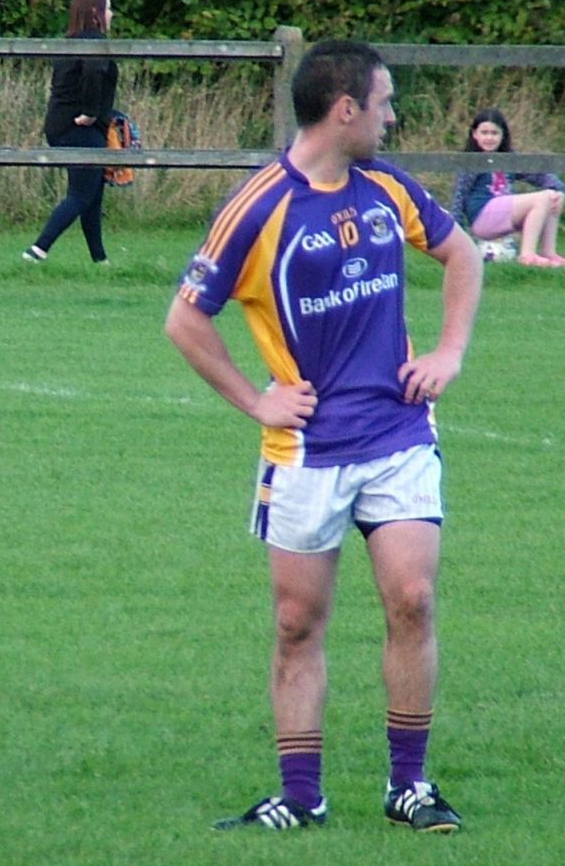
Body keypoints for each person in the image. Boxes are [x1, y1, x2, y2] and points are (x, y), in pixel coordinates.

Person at [165, 41, 483, 832]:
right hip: (307, 452)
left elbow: (461, 252)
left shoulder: (386, 186)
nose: (392, 116)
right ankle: (301, 796)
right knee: (296, 622)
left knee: (413, 598)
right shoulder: (259, 206)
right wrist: (255, 401)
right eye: (384, 102)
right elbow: (185, 319)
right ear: (346, 109)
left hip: (401, 435)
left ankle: (409, 785)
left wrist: (447, 353)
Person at [22, 0, 118, 265]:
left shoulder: (71, 42)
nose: (112, 15)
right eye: (108, 8)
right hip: (79, 128)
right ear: (95, 13)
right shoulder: (94, 43)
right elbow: (92, 72)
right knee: (80, 194)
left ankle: (100, 260)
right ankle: (37, 250)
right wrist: (90, 113)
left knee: (92, 194)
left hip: (64, 125)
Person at [449, 107, 565, 269]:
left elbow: (540, 175)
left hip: (503, 215)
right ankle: (527, 255)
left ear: (503, 135)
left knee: (554, 196)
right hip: (482, 217)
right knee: (544, 197)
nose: (489, 138)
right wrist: (457, 236)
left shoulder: (509, 159)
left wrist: (559, 190)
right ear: (474, 134)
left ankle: (549, 253)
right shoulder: (471, 161)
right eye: (484, 133)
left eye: (494, 133)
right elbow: (459, 196)